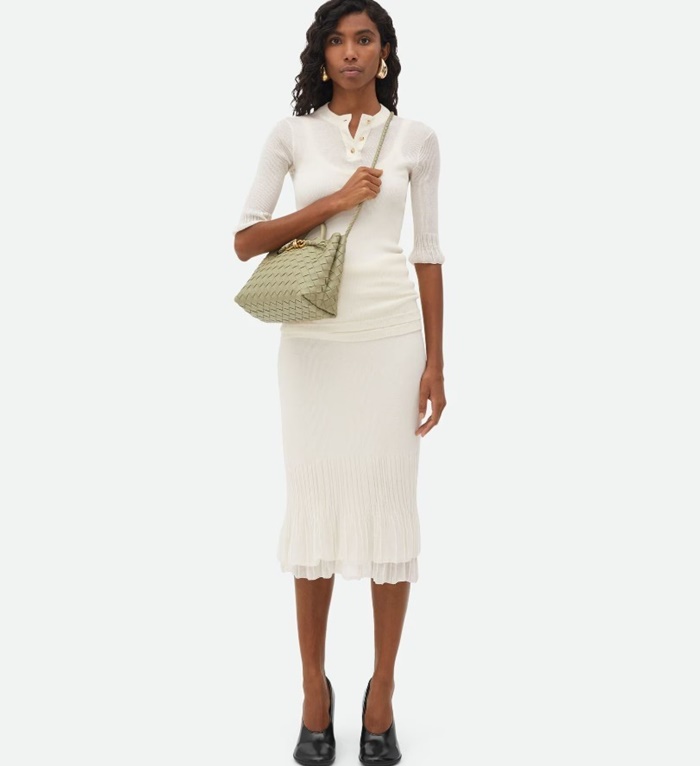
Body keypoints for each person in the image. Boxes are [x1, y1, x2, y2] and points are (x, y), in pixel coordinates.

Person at [233, 1, 446, 763]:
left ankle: (381, 693)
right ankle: (313, 693)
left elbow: (428, 251)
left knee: (389, 507)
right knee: (315, 511)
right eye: (336, 40)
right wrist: (334, 201)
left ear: (384, 52)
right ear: (321, 55)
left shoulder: (416, 138)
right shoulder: (292, 134)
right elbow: (245, 239)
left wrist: (435, 361)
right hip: (313, 342)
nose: (350, 52)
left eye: (363, 39)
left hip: (391, 337)